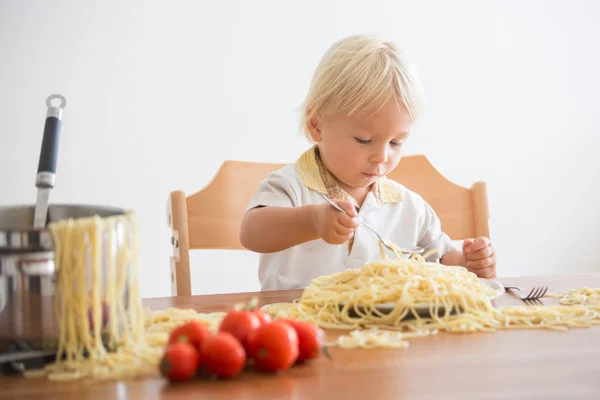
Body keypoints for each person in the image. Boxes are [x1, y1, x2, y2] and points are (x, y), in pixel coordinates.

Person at [240, 34, 496, 291]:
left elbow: (438, 258)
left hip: (383, 329)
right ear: (317, 126)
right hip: (296, 324)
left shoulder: (407, 207)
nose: (382, 157)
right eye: (364, 139)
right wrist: (312, 221)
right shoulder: (292, 186)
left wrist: (468, 263)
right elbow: (252, 233)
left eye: (396, 142)